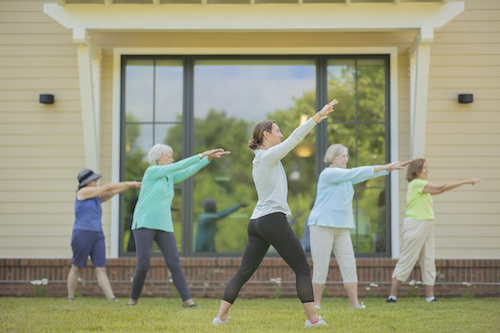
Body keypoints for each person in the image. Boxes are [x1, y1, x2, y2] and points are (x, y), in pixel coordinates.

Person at [212, 99, 338, 328]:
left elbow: (289, 140)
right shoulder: (267, 157)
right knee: (301, 268)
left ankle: (219, 318)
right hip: (271, 219)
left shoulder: (262, 159)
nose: (281, 135)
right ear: (266, 135)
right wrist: (317, 116)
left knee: (244, 271)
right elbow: (295, 139)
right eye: (277, 131)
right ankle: (313, 320)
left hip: (256, 221)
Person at [307, 144, 410, 309]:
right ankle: (316, 305)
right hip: (322, 225)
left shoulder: (346, 178)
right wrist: (384, 166)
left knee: (349, 265)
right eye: (342, 156)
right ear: (333, 158)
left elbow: (360, 175)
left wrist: (388, 170)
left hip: (342, 227)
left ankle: (354, 304)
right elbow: (355, 173)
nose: (346, 159)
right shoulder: (328, 173)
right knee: (321, 266)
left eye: (346, 156)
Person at [127, 144, 230, 307]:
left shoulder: (169, 177)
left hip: (164, 224)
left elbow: (187, 170)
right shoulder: (151, 172)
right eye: (169, 157)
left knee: (174, 262)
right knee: (143, 263)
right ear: (158, 159)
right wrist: (202, 154)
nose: (172, 159)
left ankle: (187, 301)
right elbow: (180, 165)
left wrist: (207, 159)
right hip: (145, 223)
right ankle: (133, 300)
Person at [387, 158, 481, 303]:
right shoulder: (416, 184)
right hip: (415, 224)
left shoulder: (422, 186)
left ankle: (430, 297)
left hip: (428, 224)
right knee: (407, 259)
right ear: (417, 170)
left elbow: (440, 190)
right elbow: (442, 187)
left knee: (428, 260)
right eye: (425, 168)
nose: (427, 171)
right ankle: (392, 296)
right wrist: (465, 181)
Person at [68, 169, 141, 301]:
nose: (97, 182)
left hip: (97, 234)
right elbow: (107, 187)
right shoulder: (83, 192)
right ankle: (70, 297)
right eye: (94, 180)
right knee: (76, 266)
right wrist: (129, 182)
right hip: (82, 233)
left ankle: (111, 298)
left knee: (100, 268)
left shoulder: (95, 196)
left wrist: (129, 186)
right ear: (87, 182)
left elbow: (111, 192)